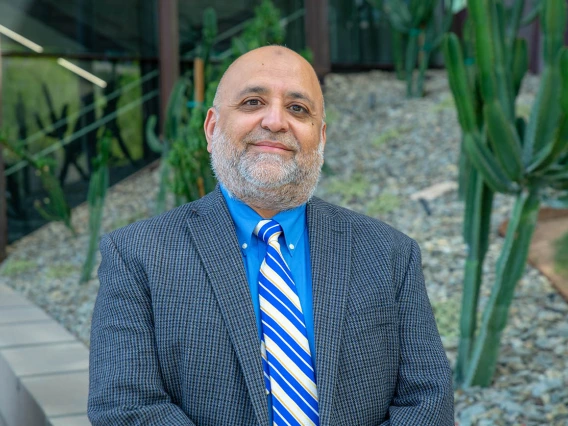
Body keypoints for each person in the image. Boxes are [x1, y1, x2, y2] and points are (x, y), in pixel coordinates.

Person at [88, 45, 453, 425]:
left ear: (321, 136)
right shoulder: (135, 255)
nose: (276, 121)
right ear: (212, 128)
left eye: (298, 109)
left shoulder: (390, 253)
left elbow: (428, 399)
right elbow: (125, 408)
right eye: (252, 102)